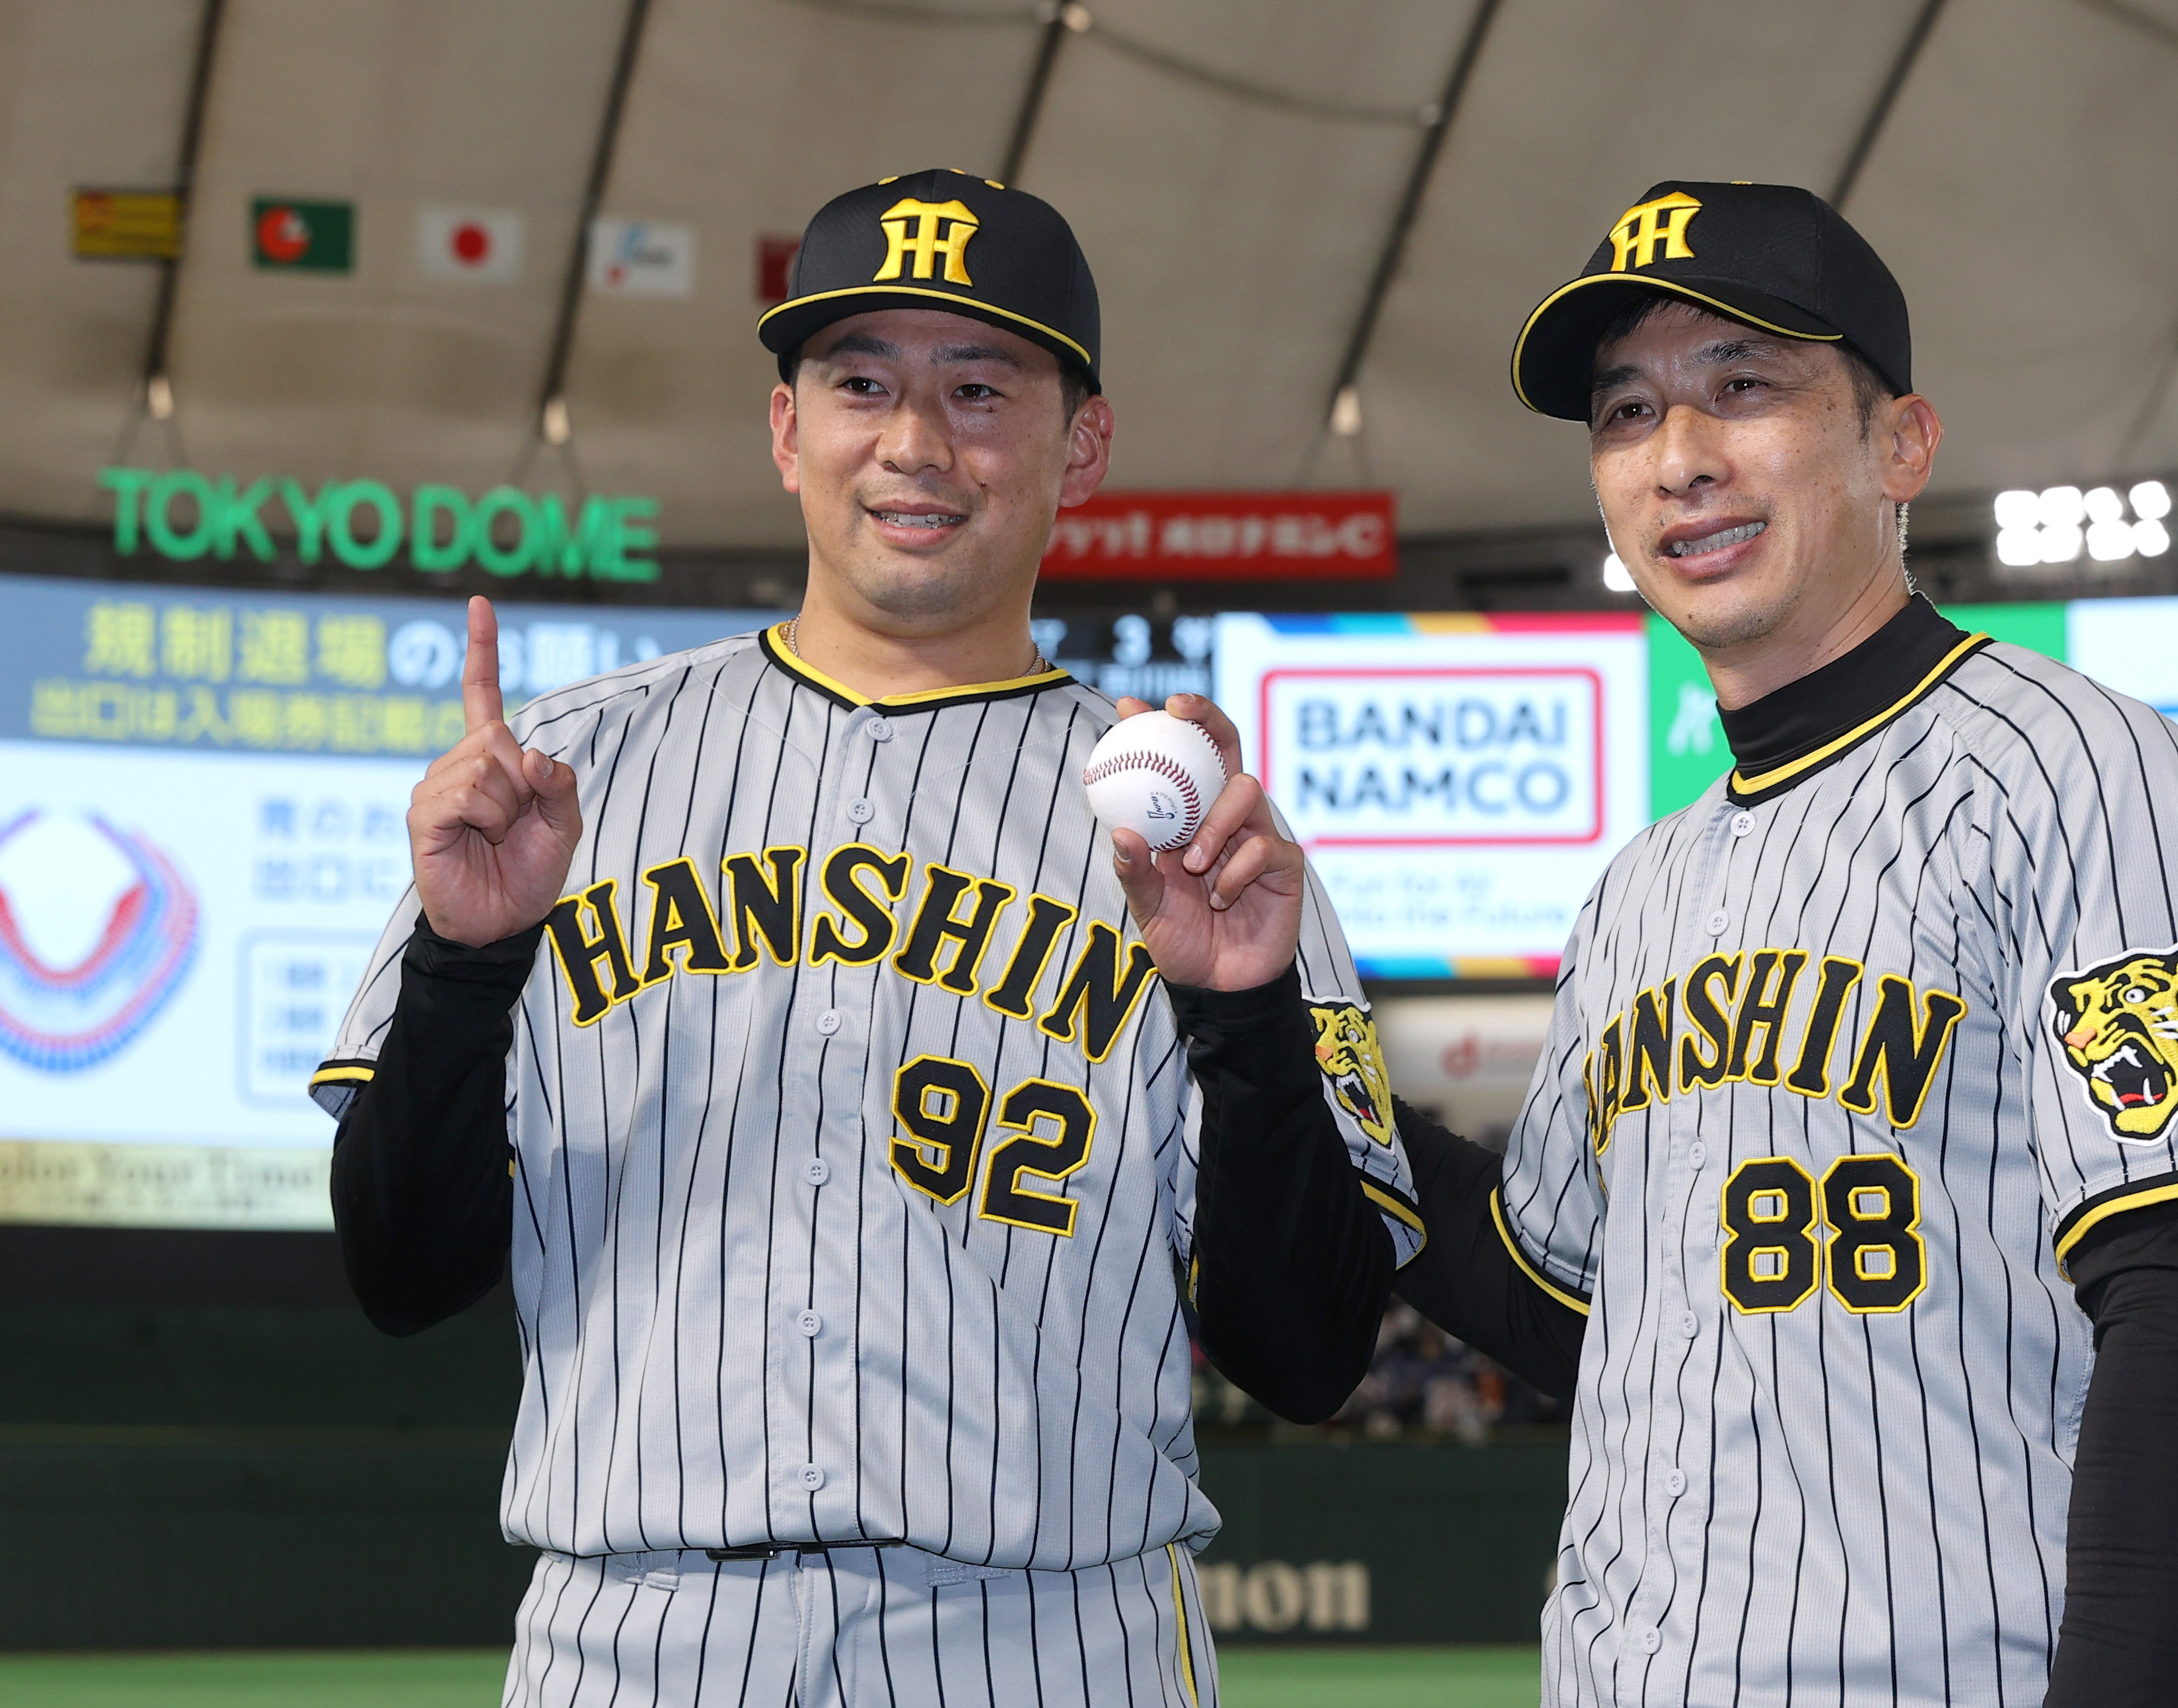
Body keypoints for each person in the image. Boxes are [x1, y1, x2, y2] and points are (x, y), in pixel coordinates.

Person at [1117, 182, 2178, 1708]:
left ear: (1900, 443)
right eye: (1627, 413)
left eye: (1742, 388)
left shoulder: (2085, 771)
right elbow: (1550, 1304)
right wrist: (1279, 1012)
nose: (1679, 457)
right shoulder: (1643, 886)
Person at [314, 170, 1419, 1707]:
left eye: (978, 388)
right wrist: (463, 966)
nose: (913, 441)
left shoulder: (1200, 843)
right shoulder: (562, 780)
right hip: (637, 1639)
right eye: (859, 384)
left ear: (1079, 446)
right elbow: (401, 1271)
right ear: (785, 431)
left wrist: (1241, 1021)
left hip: (1054, 1641)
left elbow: (1303, 1357)